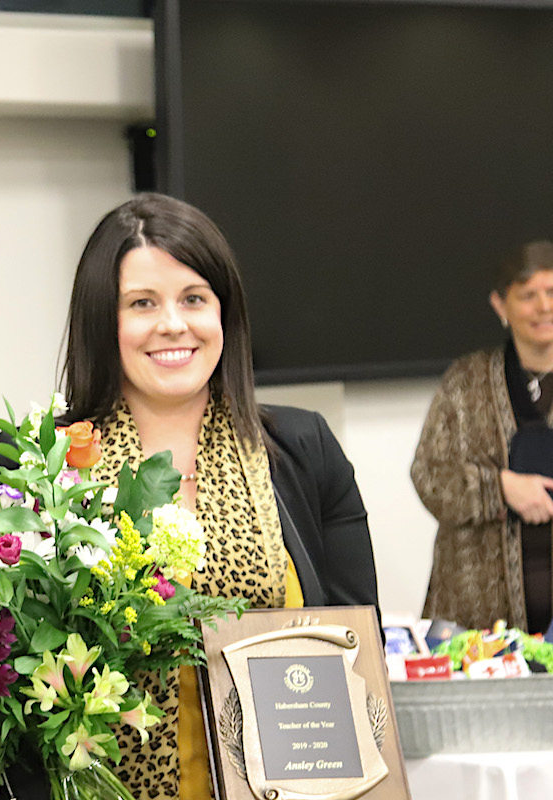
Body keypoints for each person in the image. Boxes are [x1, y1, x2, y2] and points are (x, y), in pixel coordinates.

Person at [59, 194, 378, 800]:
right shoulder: (48, 468)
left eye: (194, 299)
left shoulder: (304, 449)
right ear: (103, 320)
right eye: (142, 303)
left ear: (224, 314)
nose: (172, 324)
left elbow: (361, 652)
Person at [412, 240, 553, 634]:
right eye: (528, 295)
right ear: (500, 305)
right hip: (474, 620)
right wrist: (499, 488)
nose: (544, 307)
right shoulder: (464, 382)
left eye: (551, 292)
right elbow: (428, 475)